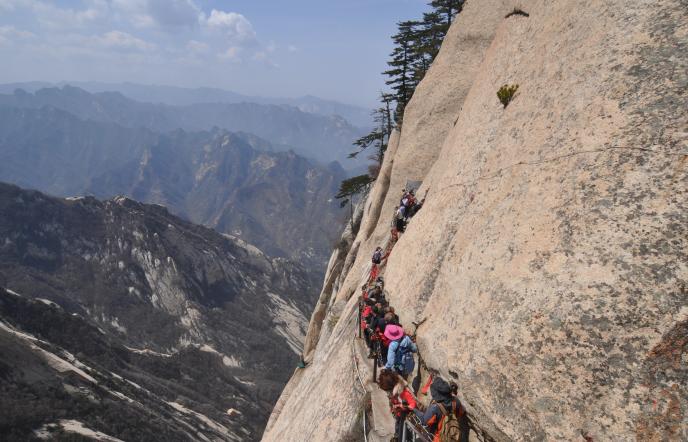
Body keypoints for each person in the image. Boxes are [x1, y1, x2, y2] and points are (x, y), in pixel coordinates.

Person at [414, 377, 464, 441]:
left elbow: (425, 422)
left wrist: (415, 410)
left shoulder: (434, 408)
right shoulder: (456, 401)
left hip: (440, 438)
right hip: (453, 436)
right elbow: (460, 413)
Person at [379, 369, 417, 442]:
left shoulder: (403, 392)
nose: (387, 392)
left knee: (404, 435)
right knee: (398, 430)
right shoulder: (394, 393)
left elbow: (413, 405)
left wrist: (401, 406)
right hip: (400, 415)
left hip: (407, 417)